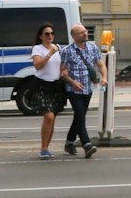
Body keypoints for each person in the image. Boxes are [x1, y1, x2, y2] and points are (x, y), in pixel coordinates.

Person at [61, 24, 105, 158]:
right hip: (73, 89)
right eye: (81, 33)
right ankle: (87, 144)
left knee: (79, 116)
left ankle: (69, 142)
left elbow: (101, 64)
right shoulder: (66, 51)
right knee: (80, 114)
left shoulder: (92, 47)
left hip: (88, 88)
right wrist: (73, 82)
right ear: (74, 36)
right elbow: (62, 72)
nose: (85, 34)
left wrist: (105, 77)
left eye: (85, 31)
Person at [30, 25, 67, 159]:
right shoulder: (37, 48)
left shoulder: (58, 48)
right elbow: (38, 65)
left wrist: (64, 70)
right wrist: (50, 53)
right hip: (41, 85)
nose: (50, 35)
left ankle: (46, 147)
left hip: (55, 86)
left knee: (53, 118)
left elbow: (62, 65)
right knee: (48, 116)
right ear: (41, 36)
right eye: (46, 33)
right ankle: (43, 148)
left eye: (52, 33)